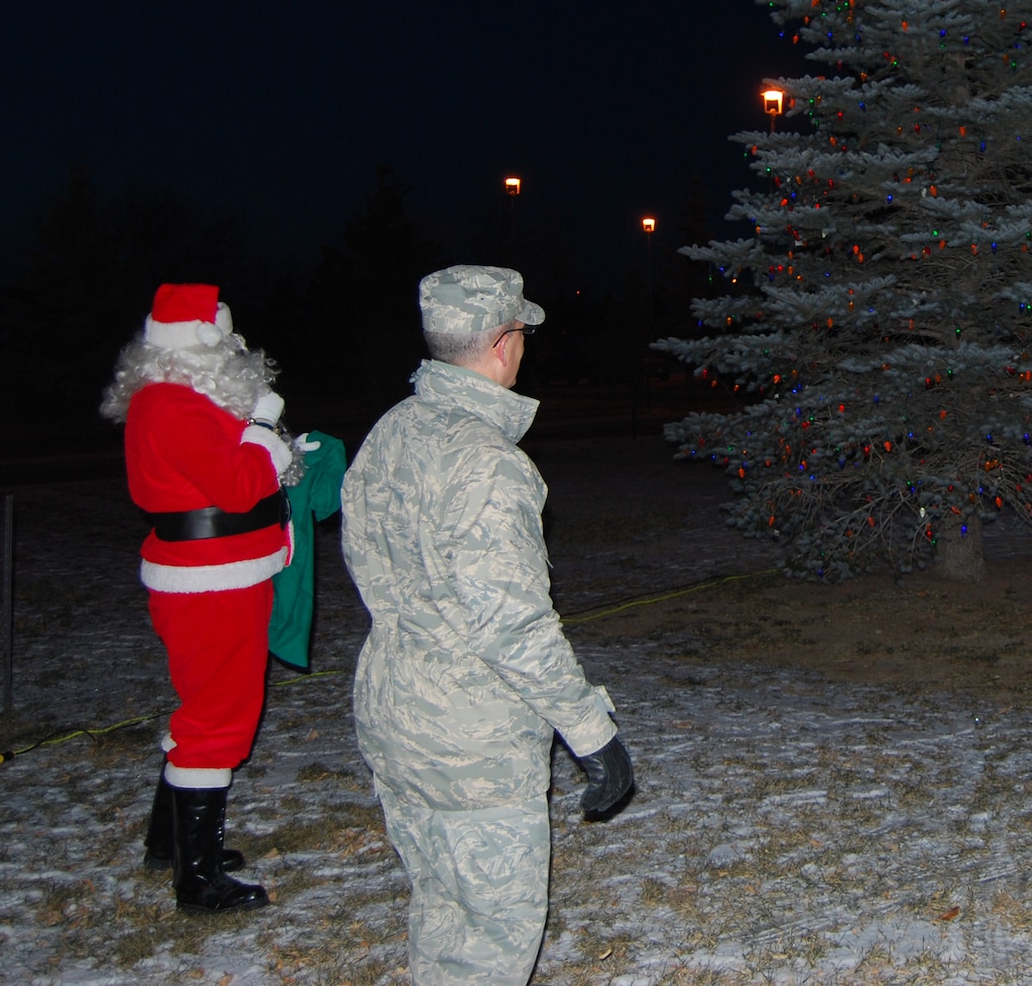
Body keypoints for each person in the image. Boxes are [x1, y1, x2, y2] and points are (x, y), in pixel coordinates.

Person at [342, 265, 633, 985]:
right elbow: (514, 624)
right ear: (504, 341)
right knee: (489, 946)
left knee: (443, 911)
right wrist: (591, 730)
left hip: (395, 711)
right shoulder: (489, 466)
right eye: (522, 334)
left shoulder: (391, 431)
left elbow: (365, 560)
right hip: (471, 743)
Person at [101, 283, 299, 912]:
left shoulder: (180, 399)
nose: (240, 347)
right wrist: (265, 426)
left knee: (206, 706)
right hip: (212, 580)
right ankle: (200, 880)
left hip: (220, 572)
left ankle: (173, 844)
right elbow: (239, 485)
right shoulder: (171, 406)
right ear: (199, 346)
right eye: (227, 337)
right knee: (219, 717)